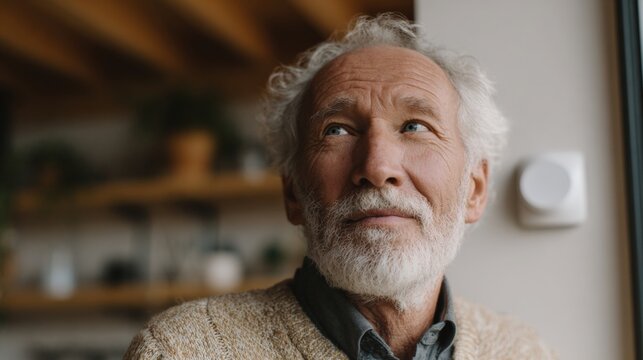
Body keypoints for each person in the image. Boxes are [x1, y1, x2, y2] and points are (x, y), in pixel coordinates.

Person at [125, 14, 556, 360]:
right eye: (337, 130)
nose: (376, 166)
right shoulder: (180, 350)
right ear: (293, 192)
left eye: (414, 126)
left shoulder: (524, 351)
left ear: (475, 190)